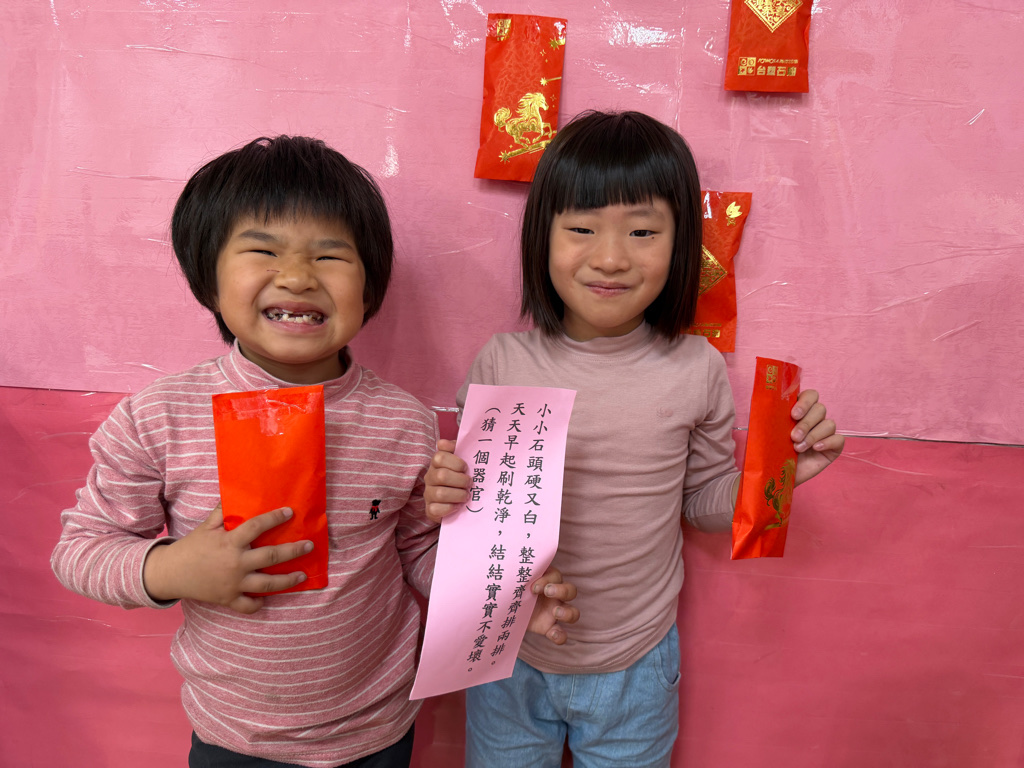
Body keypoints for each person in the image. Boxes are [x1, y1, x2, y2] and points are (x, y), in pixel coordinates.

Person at [51, 135, 578, 768]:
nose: (298, 276)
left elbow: (417, 551)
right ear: (207, 275)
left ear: (369, 285)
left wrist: (505, 598)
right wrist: (170, 570)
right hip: (237, 735)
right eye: (263, 250)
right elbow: (81, 549)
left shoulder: (405, 421)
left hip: (377, 727)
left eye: (330, 255)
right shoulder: (157, 417)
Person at [424, 111, 845, 768]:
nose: (612, 257)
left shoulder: (696, 368)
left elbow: (703, 501)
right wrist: (445, 492)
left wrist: (782, 470)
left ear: (681, 245)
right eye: (582, 229)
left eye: (643, 232)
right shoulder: (502, 362)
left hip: (637, 661)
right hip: (510, 652)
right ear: (541, 237)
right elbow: (475, 520)